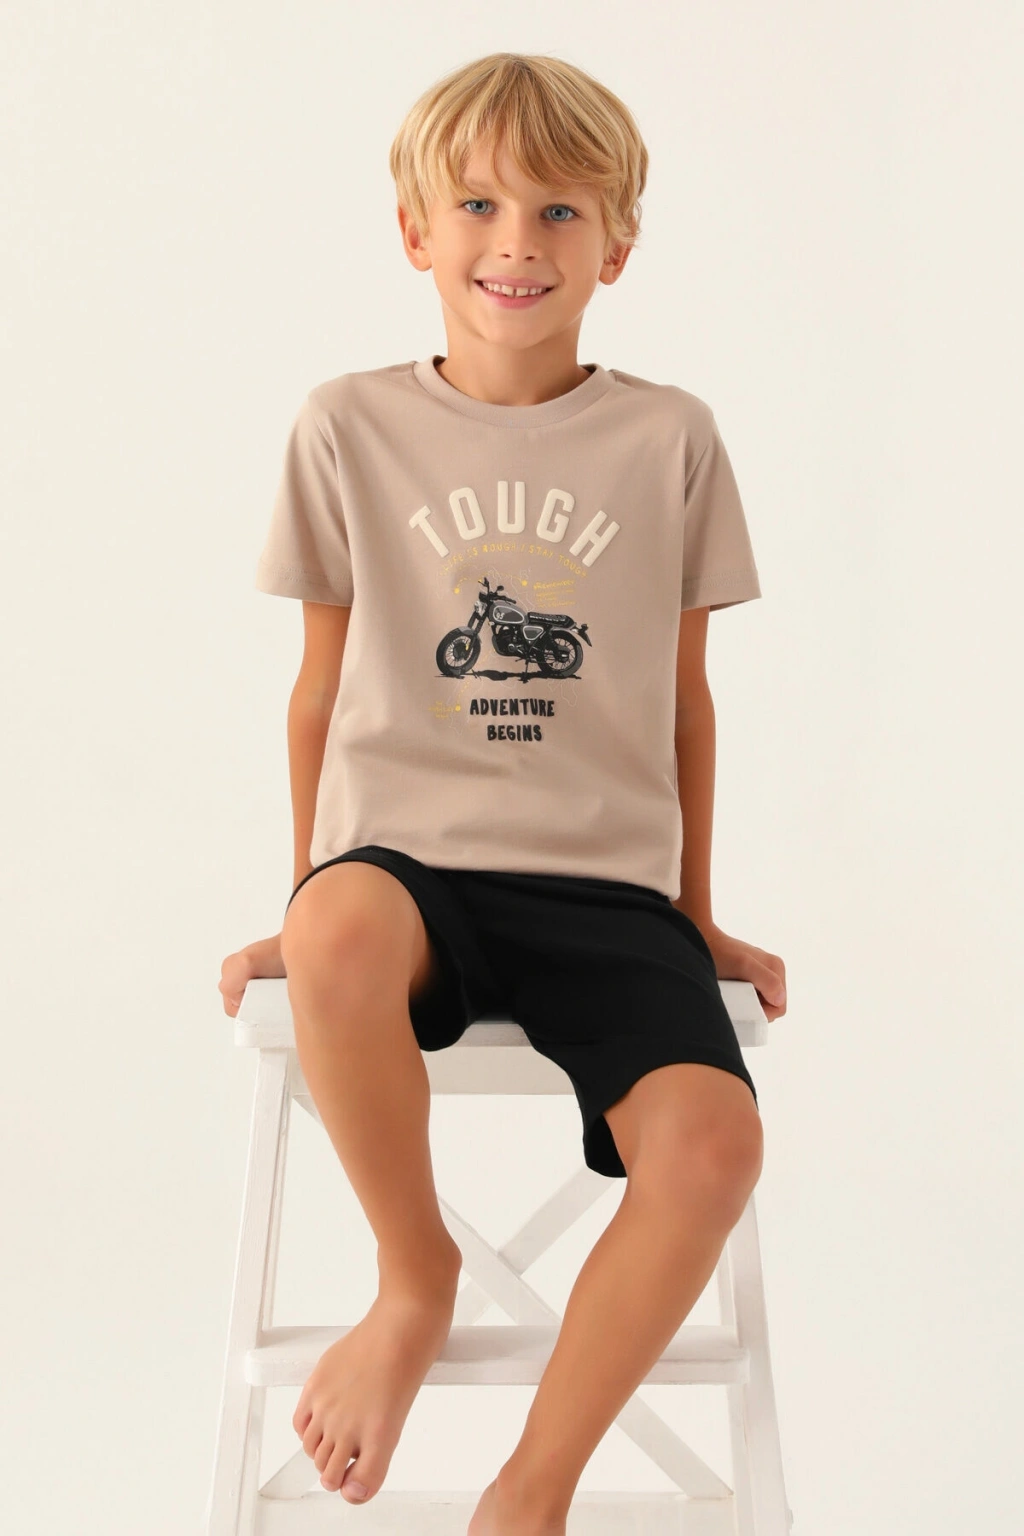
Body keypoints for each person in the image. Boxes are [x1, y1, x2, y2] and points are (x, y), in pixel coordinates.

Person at [219, 50, 787, 1536]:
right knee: (341, 927)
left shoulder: (670, 439)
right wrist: (304, 900)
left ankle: (529, 1496)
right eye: (476, 205)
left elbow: (683, 701)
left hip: (606, 890)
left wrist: (697, 911)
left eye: (559, 209)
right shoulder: (346, 426)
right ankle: (414, 1277)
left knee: (715, 1143)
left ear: (618, 244)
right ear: (416, 230)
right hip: (405, 874)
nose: (516, 242)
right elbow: (319, 693)